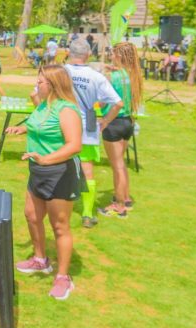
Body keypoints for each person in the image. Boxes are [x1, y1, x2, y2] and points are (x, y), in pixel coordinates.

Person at [5, 65, 83, 300]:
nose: (36, 84)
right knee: (31, 215)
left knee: (60, 226)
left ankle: (63, 277)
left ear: (54, 84)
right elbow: (36, 123)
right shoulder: (43, 104)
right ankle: (40, 259)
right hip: (37, 170)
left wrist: (47, 158)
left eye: (41, 81)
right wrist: (22, 128)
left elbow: (74, 145)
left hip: (60, 172)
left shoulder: (67, 110)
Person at [64, 39, 123, 228]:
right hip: (86, 128)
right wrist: (105, 121)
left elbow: (37, 94)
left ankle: (58, 209)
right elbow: (118, 103)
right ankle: (87, 214)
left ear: (68, 52)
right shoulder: (96, 76)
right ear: (88, 55)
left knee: (59, 167)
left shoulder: (59, 72)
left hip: (61, 126)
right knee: (87, 171)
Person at [98, 42, 142, 217]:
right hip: (127, 122)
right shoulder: (133, 76)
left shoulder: (111, 78)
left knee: (117, 166)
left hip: (113, 123)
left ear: (119, 56)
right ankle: (126, 197)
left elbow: (101, 102)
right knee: (121, 164)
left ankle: (119, 205)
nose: (111, 56)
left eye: (113, 53)